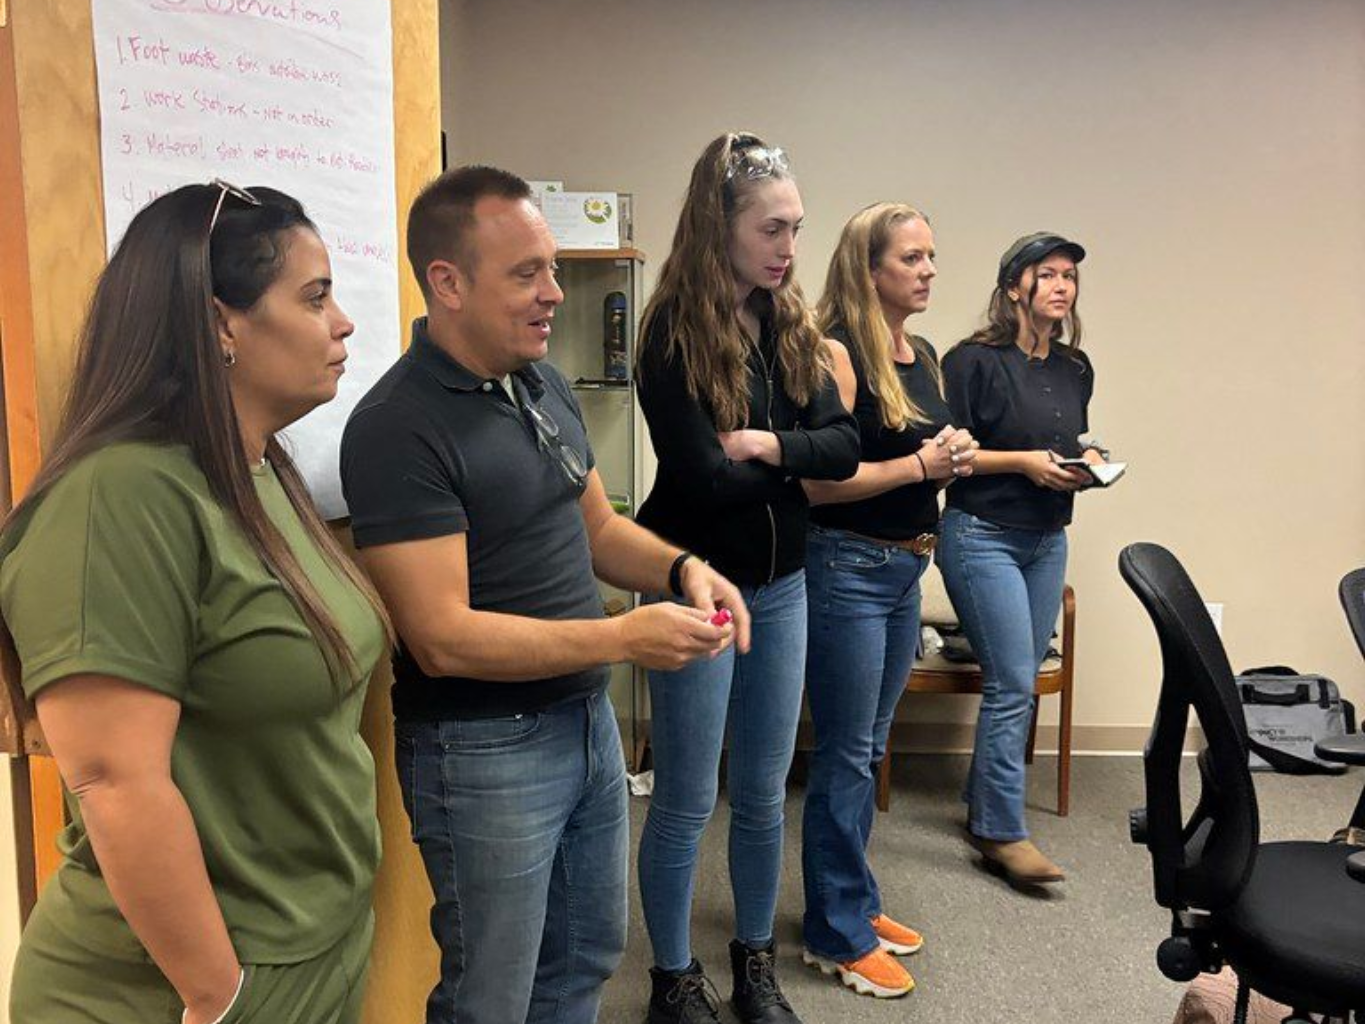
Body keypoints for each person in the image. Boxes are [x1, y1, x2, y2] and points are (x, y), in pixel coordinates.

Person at [339, 165, 748, 1024]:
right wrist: (623, 641)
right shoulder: (396, 425)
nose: (553, 293)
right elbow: (441, 637)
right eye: (526, 273)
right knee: (490, 994)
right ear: (447, 283)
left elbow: (597, 530)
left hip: (582, 724)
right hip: (483, 751)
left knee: (582, 961)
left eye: (552, 268)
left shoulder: (541, 382)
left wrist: (682, 570)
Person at [1, 181, 390, 1024]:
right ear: (221, 324)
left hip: (304, 943)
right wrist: (218, 996)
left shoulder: (261, 470)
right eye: (315, 296)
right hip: (170, 989)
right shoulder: (121, 497)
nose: (344, 322)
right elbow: (112, 779)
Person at [633, 132, 859, 1024]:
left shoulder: (791, 325)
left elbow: (844, 449)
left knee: (765, 793)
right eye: (771, 229)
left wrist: (771, 445)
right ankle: (672, 981)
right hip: (692, 584)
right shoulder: (670, 334)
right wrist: (798, 464)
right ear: (717, 224)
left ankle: (753, 965)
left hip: (783, 585)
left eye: (796, 230)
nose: (787, 249)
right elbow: (701, 480)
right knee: (690, 797)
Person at [798, 203, 976, 999]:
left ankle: (855, 903)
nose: (928, 269)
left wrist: (951, 458)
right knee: (843, 754)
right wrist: (922, 470)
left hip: (904, 570)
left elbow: (919, 453)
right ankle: (834, 933)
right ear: (868, 270)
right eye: (911, 257)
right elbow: (817, 483)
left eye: (931, 256)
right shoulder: (834, 352)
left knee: (868, 752)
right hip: (847, 567)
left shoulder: (922, 352)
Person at [937, 232, 1109, 885]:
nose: (1062, 286)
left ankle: (984, 803)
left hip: (1045, 539)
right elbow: (948, 456)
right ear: (1015, 287)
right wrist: (1024, 465)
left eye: (1069, 276)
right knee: (1012, 682)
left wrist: (1088, 461)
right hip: (980, 535)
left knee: (1022, 680)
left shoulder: (1075, 366)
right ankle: (998, 832)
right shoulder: (971, 361)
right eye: (1048, 274)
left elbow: (1069, 440)